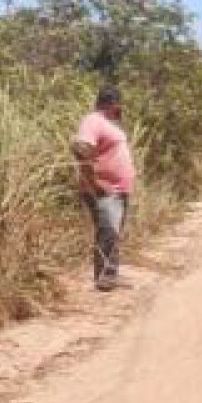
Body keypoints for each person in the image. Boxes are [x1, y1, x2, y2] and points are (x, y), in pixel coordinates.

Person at [71, 86, 136, 290]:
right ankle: (103, 278)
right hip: (105, 190)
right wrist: (95, 184)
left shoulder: (110, 124)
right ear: (111, 103)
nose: (120, 108)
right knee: (107, 231)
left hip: (118, 189)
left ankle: (110, 274)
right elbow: (81, 149)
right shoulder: (93, 120)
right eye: (118, 104)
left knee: (113, 233)